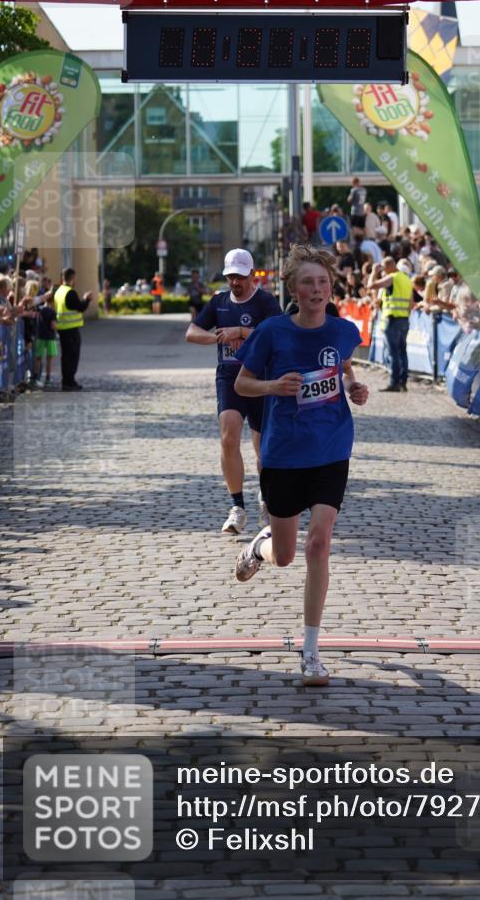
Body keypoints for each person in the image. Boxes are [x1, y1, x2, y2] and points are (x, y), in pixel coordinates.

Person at [232, 244, 368, 686]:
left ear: (331, 288)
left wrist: (354, 385)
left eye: (323, 282)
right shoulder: (272, 331)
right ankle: (259, 546)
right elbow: (243, 384)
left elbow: (344, 365)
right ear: (292, 288)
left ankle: (311, 653)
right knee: (287, 556)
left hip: (331, 449)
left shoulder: (344, 330)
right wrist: (274, 385)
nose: (316, 289)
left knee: (319, 546)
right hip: (283, 454)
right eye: (307, 282)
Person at [185, 248, 281, 534]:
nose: (235, 282)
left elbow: (276, 336)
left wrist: (241, 332)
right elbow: (191, 333)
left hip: (261, 379)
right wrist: (220, 335)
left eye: (240, 276)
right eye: (230, 277)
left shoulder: (265, 301)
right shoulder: (219, 302)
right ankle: (237, 506)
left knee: (263, 448)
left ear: (252, 275)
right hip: (229, 377)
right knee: (228, 436)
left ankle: (266, 498)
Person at [367, 256, 413, 392]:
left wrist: (373, 272)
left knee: (393, 353)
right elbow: (411, 303)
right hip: (404, 319)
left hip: (392, 319)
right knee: (403, 352)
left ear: (388, 266)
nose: (383, 271)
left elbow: (371, 286)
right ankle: (403, 382)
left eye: (383, 268)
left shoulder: (393, 277)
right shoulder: (406, 279)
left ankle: (394, 383)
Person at [53, 268, 93, 391]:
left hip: (62, 328)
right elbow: (80, 307)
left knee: (65, 357)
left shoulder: (59, 291)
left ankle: (66, 380)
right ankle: (69, 381)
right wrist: (87, 299)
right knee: (72, 356)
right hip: (70, 329)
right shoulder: (70, 292)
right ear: (73, 278)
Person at [34, 295, 58, 386]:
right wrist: (57, 327)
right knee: (49, 359)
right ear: (52, 302)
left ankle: (35, 378)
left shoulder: (40, 310)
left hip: (40, 336)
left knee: (38, 358)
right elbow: (53, 325)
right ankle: (47, 379)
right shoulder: (52, 312)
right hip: (50, 338)